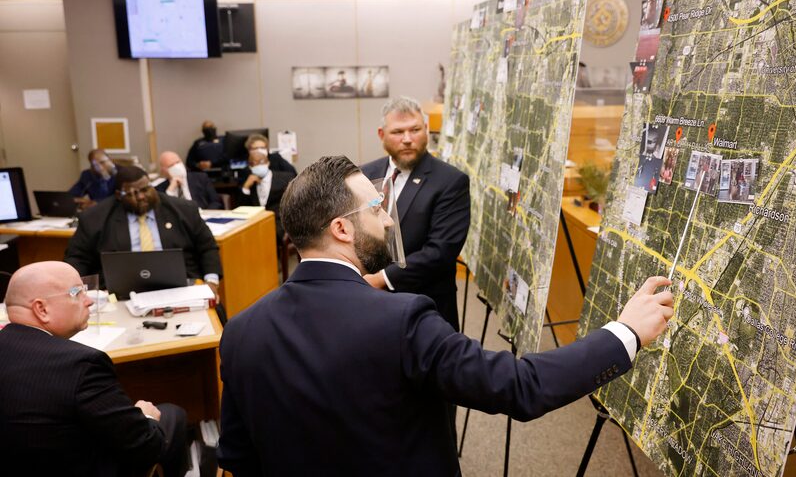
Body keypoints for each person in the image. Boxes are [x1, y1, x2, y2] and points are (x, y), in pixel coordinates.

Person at [217, 155, 675, 476]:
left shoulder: (240, 331)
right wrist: (626, 332)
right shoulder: (401, 320)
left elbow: (237, 458)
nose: (390, 221)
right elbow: (520, 387)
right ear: (341, 229)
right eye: (376, 209)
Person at [0, 261, 188, 477]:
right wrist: (147, 419)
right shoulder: (82, 364)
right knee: (172, 415)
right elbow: (143, 446)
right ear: (41, 309)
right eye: (77, 293)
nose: (88, 301)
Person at [361, 96, 470, 330]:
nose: (408, 139)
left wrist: (381, 279)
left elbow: (440, 252)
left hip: (425, 307)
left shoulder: (451, 181)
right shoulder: (365, 175)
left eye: (415, 130)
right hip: (369, 303)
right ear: (381, 135)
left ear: (427, 130)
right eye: (398, 132)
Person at [64, 165, 222, 293]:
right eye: (133, 193)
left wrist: (212, 282)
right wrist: (78, 291)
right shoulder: (95, 218)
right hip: (117, 294)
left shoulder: (183, 209)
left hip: (182, 287)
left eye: (145, 189)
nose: (141, 197)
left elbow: (207, 247)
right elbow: (77, 258)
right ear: (119, 195)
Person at [238, 149, 294, 240]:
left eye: (261, 162)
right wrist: (246, 188)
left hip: (277, 222)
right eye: (253, 163)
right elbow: (242, 208)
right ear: (250, 167)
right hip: (255, 222)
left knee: (265, 235)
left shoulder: (285, 178)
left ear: (268, 163)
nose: (257, 165)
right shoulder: (248, 181)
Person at [155, 150, 223, 209]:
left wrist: (205, 214)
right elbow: (162, 211)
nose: (177, 167)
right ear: (163, 171)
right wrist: (170, 190)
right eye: (171, 165)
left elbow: (216, 202)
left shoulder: (200, 178)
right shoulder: (159, 189)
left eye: (178, 162)